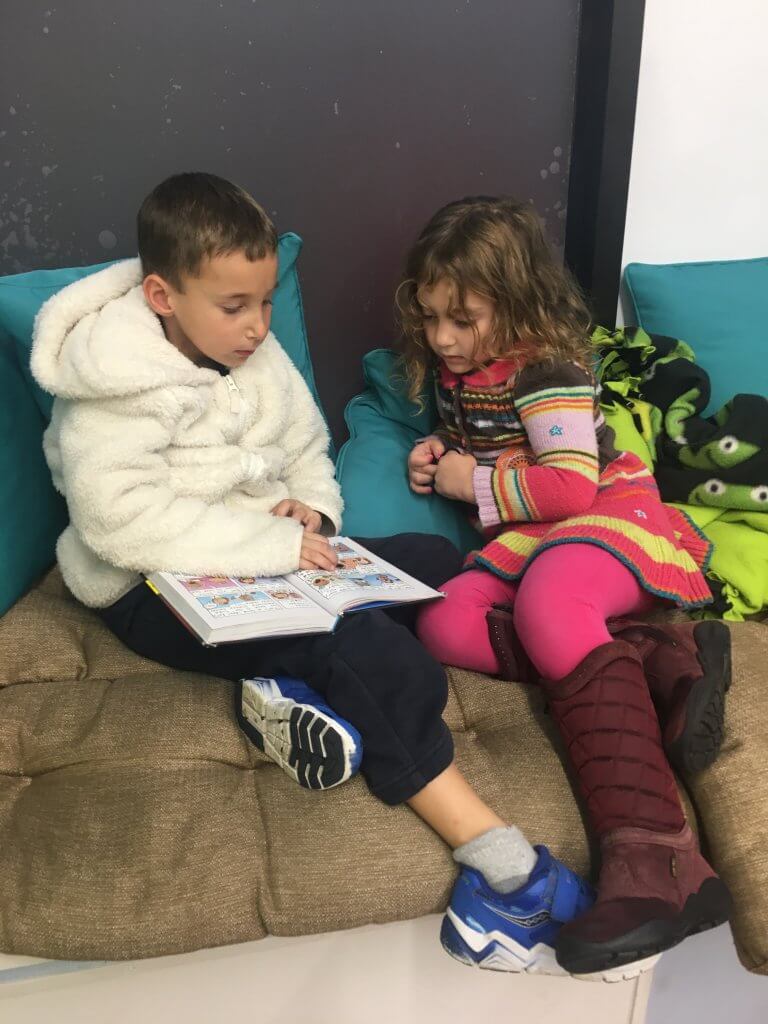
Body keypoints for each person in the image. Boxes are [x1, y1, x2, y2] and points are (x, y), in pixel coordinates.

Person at [31, 172, 608, 977]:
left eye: (266, 304)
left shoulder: (255, 355)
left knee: (435, 563)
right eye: (234, 307)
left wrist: (313, 515)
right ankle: (506, 869)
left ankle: (285, 693)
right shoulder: (110, 382)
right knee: (364, 645)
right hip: (150, 587)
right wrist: (268, 548)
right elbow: (118, 521)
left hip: (268, 560)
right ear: (162, 295)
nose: (257, 327)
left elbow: (306, 449)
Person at [399, 195, 733, 976]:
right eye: (429, 316)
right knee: (444, 621)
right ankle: (658, 658)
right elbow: (492, 444)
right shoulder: (464, 372)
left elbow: (571, 487)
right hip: (533, 540)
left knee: (551, 601)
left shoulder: (548, 371)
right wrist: (436, 451)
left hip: (605, 519)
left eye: (463, 317)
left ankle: (660, 861)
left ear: (516, 305)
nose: (441, 337)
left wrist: (465, 482)